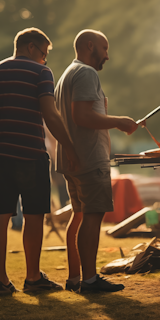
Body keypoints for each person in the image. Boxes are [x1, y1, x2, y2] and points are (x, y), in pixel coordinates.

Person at [0, 27, 81, 296]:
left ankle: (2, 281)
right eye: (44, 54)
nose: (45, 60)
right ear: (31, 47)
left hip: (0, 157)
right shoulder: (40, 73)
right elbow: (50, 114)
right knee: (34, 217)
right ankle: (32, 278)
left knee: (0, 216)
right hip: (31, 156)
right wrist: (69, 146)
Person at [55, 29, 139, 293]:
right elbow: (82, 116)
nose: (107, 56)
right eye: (105, 48)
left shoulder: (67, 74)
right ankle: (89, 281)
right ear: (90, 46)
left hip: (72, 159)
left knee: (79, 216)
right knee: (92, 217)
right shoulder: (86, 73)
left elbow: (79, 114)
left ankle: (75, 278)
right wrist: (119, 121)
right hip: (89, 157)